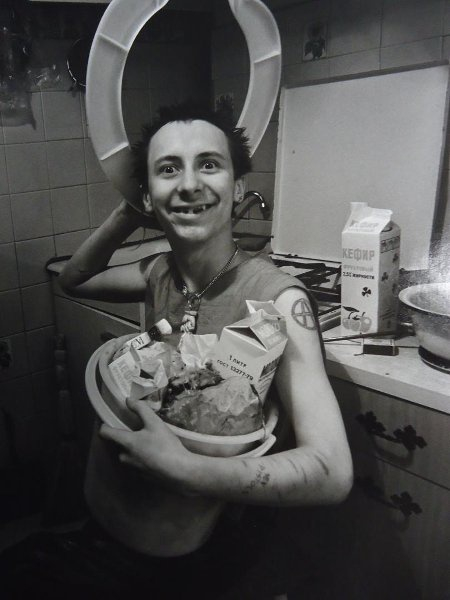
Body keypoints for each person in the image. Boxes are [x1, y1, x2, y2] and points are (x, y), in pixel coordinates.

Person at [1, 102, 352, 599]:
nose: (188, 184)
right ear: (148, 194)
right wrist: (129, 210)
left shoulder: (279, 300)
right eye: (168, 169)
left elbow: (332, 471)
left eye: (209, 164)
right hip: (147, 513)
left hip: (223, 535)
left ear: (237, 189)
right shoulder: (158, 272)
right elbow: (73, 279)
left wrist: (189, 472)